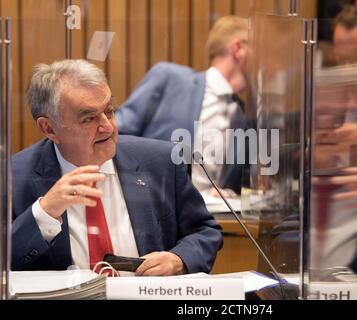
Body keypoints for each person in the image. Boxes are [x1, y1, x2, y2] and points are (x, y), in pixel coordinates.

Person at [12, 59, 223, 275]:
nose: (107, 126)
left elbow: (205, 231)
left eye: (110, 111)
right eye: (89, 118)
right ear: (49, 128)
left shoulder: (160, 162)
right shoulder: (12, 178)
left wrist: (179, 259)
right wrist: (44, 213)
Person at [115, 15, 248, 195]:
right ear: (238, 49)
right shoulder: (169, 79)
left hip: (214, 218)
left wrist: (228, 193)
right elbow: (113, 134)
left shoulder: (242, 113)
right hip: (153, 208)